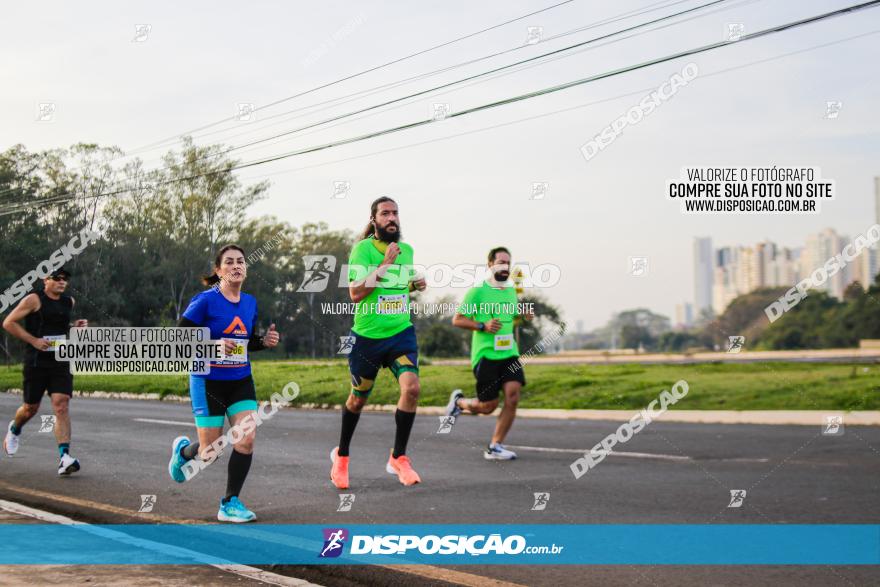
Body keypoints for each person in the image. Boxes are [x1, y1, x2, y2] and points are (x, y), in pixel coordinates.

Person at [166, 244, 280, 522]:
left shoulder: (250, 302)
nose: (236, 266)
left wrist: (262, 342)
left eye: (240, 261)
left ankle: (230, 502)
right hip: (207, 382)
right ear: (218, 271)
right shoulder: (205, 301)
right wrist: (216, 344)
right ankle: (183, 452)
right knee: (210, 453)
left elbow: (245, 341)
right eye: (228, 262)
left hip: (240, 380)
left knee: (247, 438)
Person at [330, 197, 427, 489]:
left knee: (412, 388)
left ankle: (399, 457)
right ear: (374, 220)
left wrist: (413, 285)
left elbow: (394, 287)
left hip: (400, 334)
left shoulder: (406, 250)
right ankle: (342, 457)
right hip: (368, 339)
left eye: (395, 212)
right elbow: (356, 293)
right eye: (385, 213)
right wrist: (385, 263)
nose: (391, 218)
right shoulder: (362, 250)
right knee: (358, 400)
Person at [447, 247, 533, 460]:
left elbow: (509, 317)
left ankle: (495, 446)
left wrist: (523, 315)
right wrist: (482, 325)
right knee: (488, 406)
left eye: (508, 263)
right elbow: (457, 319)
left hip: (509, 353)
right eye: (501, 262)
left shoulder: (511, 291)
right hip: (486, 355)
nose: (505, 267)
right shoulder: (477, 291)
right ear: (490, 265)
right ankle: (459, 403)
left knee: (513, 397)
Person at [2, 267, 88, 475]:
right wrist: (34, 340)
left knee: (61, 404)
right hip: (36, 361)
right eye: (57, 278)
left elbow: (59, 326)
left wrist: (74, 327)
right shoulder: (34, 300)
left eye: (65, 278)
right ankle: (15, 429)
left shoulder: (69, 302)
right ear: (45, 280)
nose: (62, 281)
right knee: (30, 408)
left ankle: (65, 457)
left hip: (60, 359)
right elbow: (8, 323)